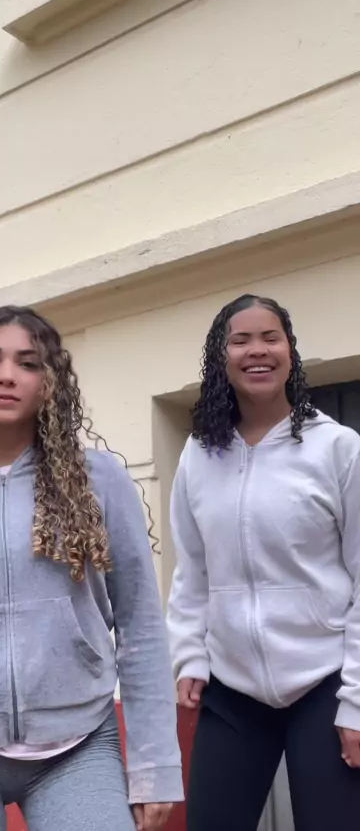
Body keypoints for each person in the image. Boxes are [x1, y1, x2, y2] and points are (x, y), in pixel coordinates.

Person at [0, 305, 183, 831]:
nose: (6, 375)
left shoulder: (99, 482)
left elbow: (140, 625)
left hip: (77, 745)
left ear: (50, 382)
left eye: (27, 362)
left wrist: (154, 767)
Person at [167, 294, 360, 831]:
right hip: (231, 688)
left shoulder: (337, 448)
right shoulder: (199, 455)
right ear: (221, 357)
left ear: (290, 352)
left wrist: (356, 701)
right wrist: (189, 655)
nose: (257, 350)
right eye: (241, 340)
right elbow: (192, 570)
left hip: (324, 683)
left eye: (271, 337)